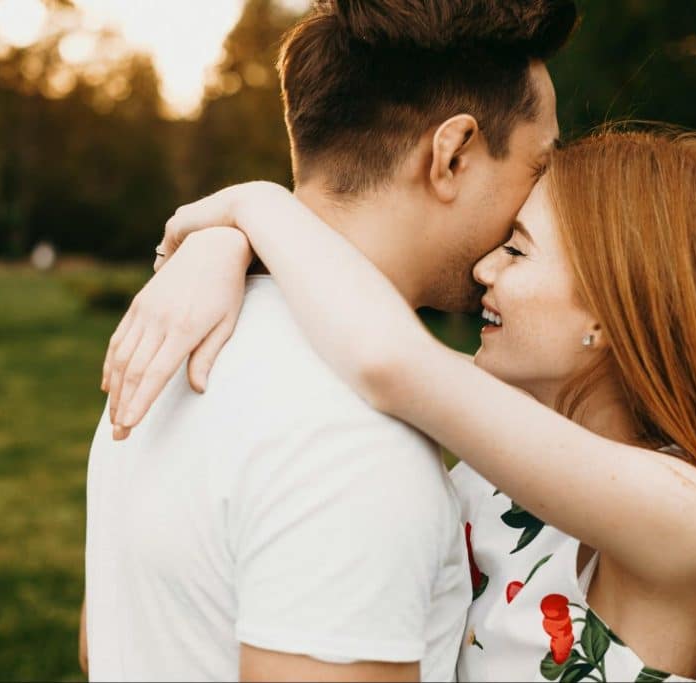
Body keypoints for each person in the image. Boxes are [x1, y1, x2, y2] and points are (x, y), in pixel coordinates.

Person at [104, 127, 696, 682]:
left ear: (608, 314)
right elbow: (348, 320)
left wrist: (253, 206)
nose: (484, 267)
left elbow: (389, 359)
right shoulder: (518, 438)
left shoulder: (694, 517)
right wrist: (225, 249)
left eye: (517, 249)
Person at [81, 0, 578, 680]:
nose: (541, 197)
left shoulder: (174, 345)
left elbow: (106, 639)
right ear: (453, 155)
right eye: (538, 164)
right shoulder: (356, 439)